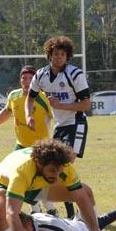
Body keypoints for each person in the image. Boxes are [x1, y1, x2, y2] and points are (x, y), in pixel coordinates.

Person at [25, 36, 91, 219]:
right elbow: (30, 97)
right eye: (55, 53)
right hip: (60, 126)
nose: (58, 57)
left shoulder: (75, 74)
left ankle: (75, 211)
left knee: (64, 165)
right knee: (52, 166)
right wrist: (29, 115)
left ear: (67, 56)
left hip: (76, 124)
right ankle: (70, 211)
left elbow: (86, 104)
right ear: (50, 54)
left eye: (62, 54)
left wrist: (62, 106)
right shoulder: (41, 75)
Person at [0, 65, 55, 214]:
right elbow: (6, 113)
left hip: (41, 147)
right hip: (21, 147)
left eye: (30, 79)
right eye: (23, 78)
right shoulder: (14, 95)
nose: (26, 82)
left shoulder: (44, 98)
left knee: (39, 178)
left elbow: (56, 118)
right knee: (16, 177)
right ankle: (36, 208)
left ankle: (50, 208)